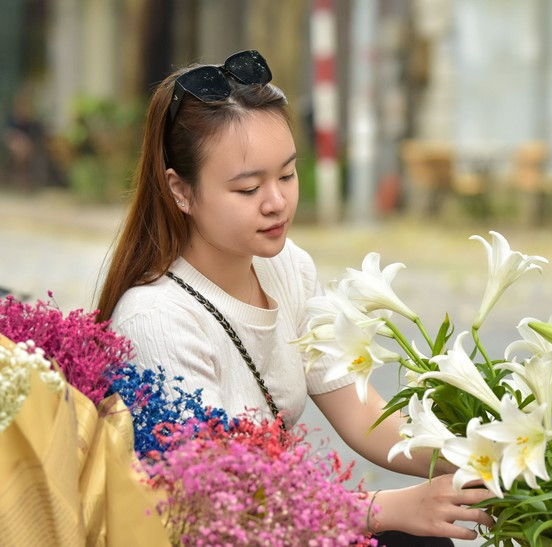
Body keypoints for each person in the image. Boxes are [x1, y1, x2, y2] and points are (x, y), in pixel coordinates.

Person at [95, 50, 493, 543]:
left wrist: (484, 461)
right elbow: (212, 506)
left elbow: (363, 412)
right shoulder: (155, 321)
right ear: (181, 191)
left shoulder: (287, 267)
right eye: (247, 189)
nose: (277, 202)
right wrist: (382, 507)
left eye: (286, 175)